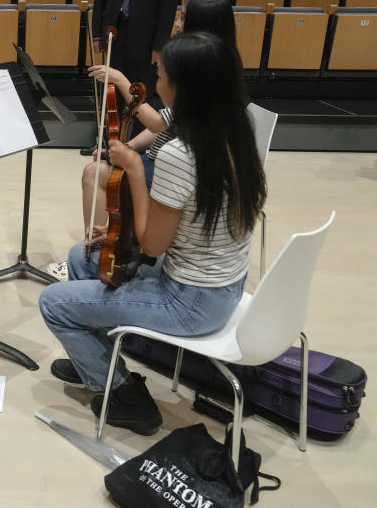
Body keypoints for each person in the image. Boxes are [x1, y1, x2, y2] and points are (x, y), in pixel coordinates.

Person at [39, 31, 267, 436]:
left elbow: (151, 244)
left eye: (160, 76)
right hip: (223, 285)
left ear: (183, 87)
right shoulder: (235, 132)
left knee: (53, 303)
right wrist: (114, 233)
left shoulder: (182, 154)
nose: (156, 85)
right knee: (81, 257)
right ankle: (98, 357)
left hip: (190, 299)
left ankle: (121, 392)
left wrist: (138, 169)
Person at [49, 0, 241, 280]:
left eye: (183, 17)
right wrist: (128, 147)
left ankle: (98, 257)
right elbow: (166, 124)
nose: (176, 23)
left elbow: (156, 123)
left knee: (94, 174)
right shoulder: (209, 64)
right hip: (167, 161)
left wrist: (122, 82)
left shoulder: (205, 74)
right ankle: (100, 250)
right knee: (99, 170)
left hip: (182, 173)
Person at [85, 0, 178, 155]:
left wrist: (160, 46)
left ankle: (134, 145)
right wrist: (97, 33)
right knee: (111, 91)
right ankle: (106, 141)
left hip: (145, 41)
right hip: (114, 36)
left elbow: (167, 9)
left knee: (138, 91)